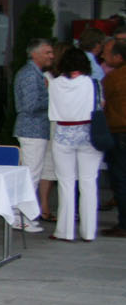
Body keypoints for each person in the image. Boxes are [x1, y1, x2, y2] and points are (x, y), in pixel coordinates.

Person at [48, 47, 102, 242]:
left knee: (66, 184)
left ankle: (65, 231)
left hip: (63, 133)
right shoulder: (92, 83)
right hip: (88, 134)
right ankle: (88, 231)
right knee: (88, 183)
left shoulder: (54, 84)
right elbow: (100, 104)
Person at [13, 38, 57, 223]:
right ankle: (24, 218)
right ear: (34, 54)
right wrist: (54, 96)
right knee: (31, 175)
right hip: (32, 129)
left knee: (31, 173)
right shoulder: (31, 75)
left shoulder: (34, 73)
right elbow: (30, 105)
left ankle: (22, 215)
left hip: (34, 129)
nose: (51, 56)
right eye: (47, 52)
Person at [100, 40, 126, 237]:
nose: (103, 57)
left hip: (119, 131)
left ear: (118, 57)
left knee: (120, 178)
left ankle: (124, 224)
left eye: (108, 54)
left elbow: (104, 102)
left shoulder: (113, 78)